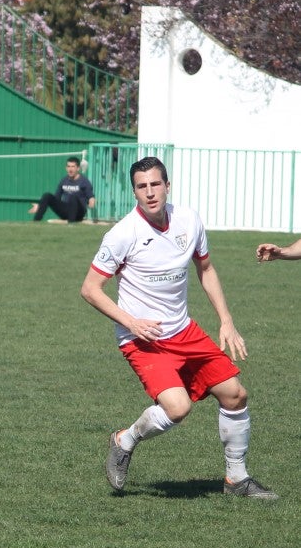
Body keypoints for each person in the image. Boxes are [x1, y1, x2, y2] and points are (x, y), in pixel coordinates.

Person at [81, 156, 276, 498]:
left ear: (167, 186)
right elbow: (90, 289)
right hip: (142, 339)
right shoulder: (123, 234)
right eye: (142, 187)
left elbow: (207, 268)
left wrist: (226, 321)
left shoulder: (188, 220)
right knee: (178, 408)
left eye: (156, 184)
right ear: (135, 192)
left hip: (183, 331)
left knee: (235, 394)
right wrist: (131, 322)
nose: (150, 192)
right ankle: (123, 440)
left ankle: (236, 480)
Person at [31, 156, 95, 222]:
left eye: (73, 167)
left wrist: (91, 202)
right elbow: (56, 198)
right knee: (47, 196)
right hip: (66, 210)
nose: (70, 169)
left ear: (78, 168)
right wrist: (40, 206)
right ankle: (35, 222)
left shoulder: (84, 181)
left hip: (78, 212)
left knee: (73, 197)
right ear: (66, 168)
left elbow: (91, 197)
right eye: (68, 166)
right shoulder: (64, 180)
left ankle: (71, 224)